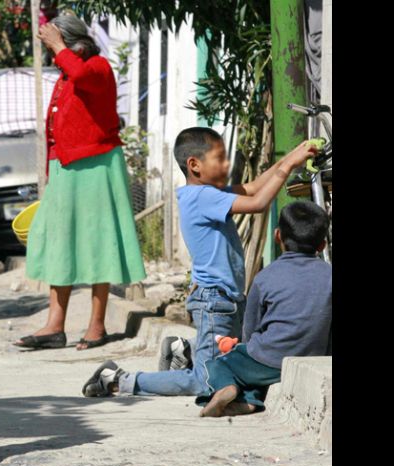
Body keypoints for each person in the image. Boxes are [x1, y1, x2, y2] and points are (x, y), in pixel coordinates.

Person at [82, 127, 319, 398]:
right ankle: (118, 380)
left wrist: (292, 156)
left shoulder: (204, 194)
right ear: (194, 165)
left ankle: (185, 350)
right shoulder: (205, 197)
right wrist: (289, 164)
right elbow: (258, 203)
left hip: (222, 298)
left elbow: (254, 188)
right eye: (219, 158)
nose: (227, 164)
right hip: (214, 301)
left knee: (230, 351)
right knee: (205, 382)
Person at [14, 14, 147, 351]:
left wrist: (58, 46)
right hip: (65, 168)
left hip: (96, 166)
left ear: (71, 42)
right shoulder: (65, 74)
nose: (52, 54)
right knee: (60, 242)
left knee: (97, 242)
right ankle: (54, 326)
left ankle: (97, 325)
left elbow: (82, 74)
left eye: (55, 46)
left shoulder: (98, 67)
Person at [198, 201, 332, 417]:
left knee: (218, 364)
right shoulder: (329, 276)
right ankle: (249, 400)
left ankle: (232, 391)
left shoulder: (265, 277)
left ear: (278, 236)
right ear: (322, 245)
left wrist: (242, 349)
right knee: (256, 369)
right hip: (311, 356)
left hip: (266, 359)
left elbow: (250, 331)